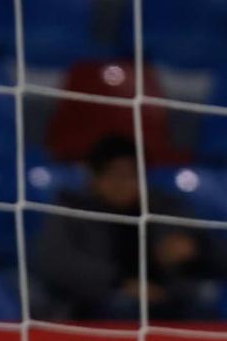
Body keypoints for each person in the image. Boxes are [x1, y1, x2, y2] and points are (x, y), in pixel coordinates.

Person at [31, 135, 225, 322]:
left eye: (132, 175)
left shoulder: (166, 207)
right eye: (115, 175)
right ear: (94, 178)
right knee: (122, 305)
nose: (123, 184)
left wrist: (197, 250)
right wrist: (119, 282)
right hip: (101, 300)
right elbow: (56, 263)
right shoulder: (72, 211)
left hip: (166, 296)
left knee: (206, 296)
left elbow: (217, 254)